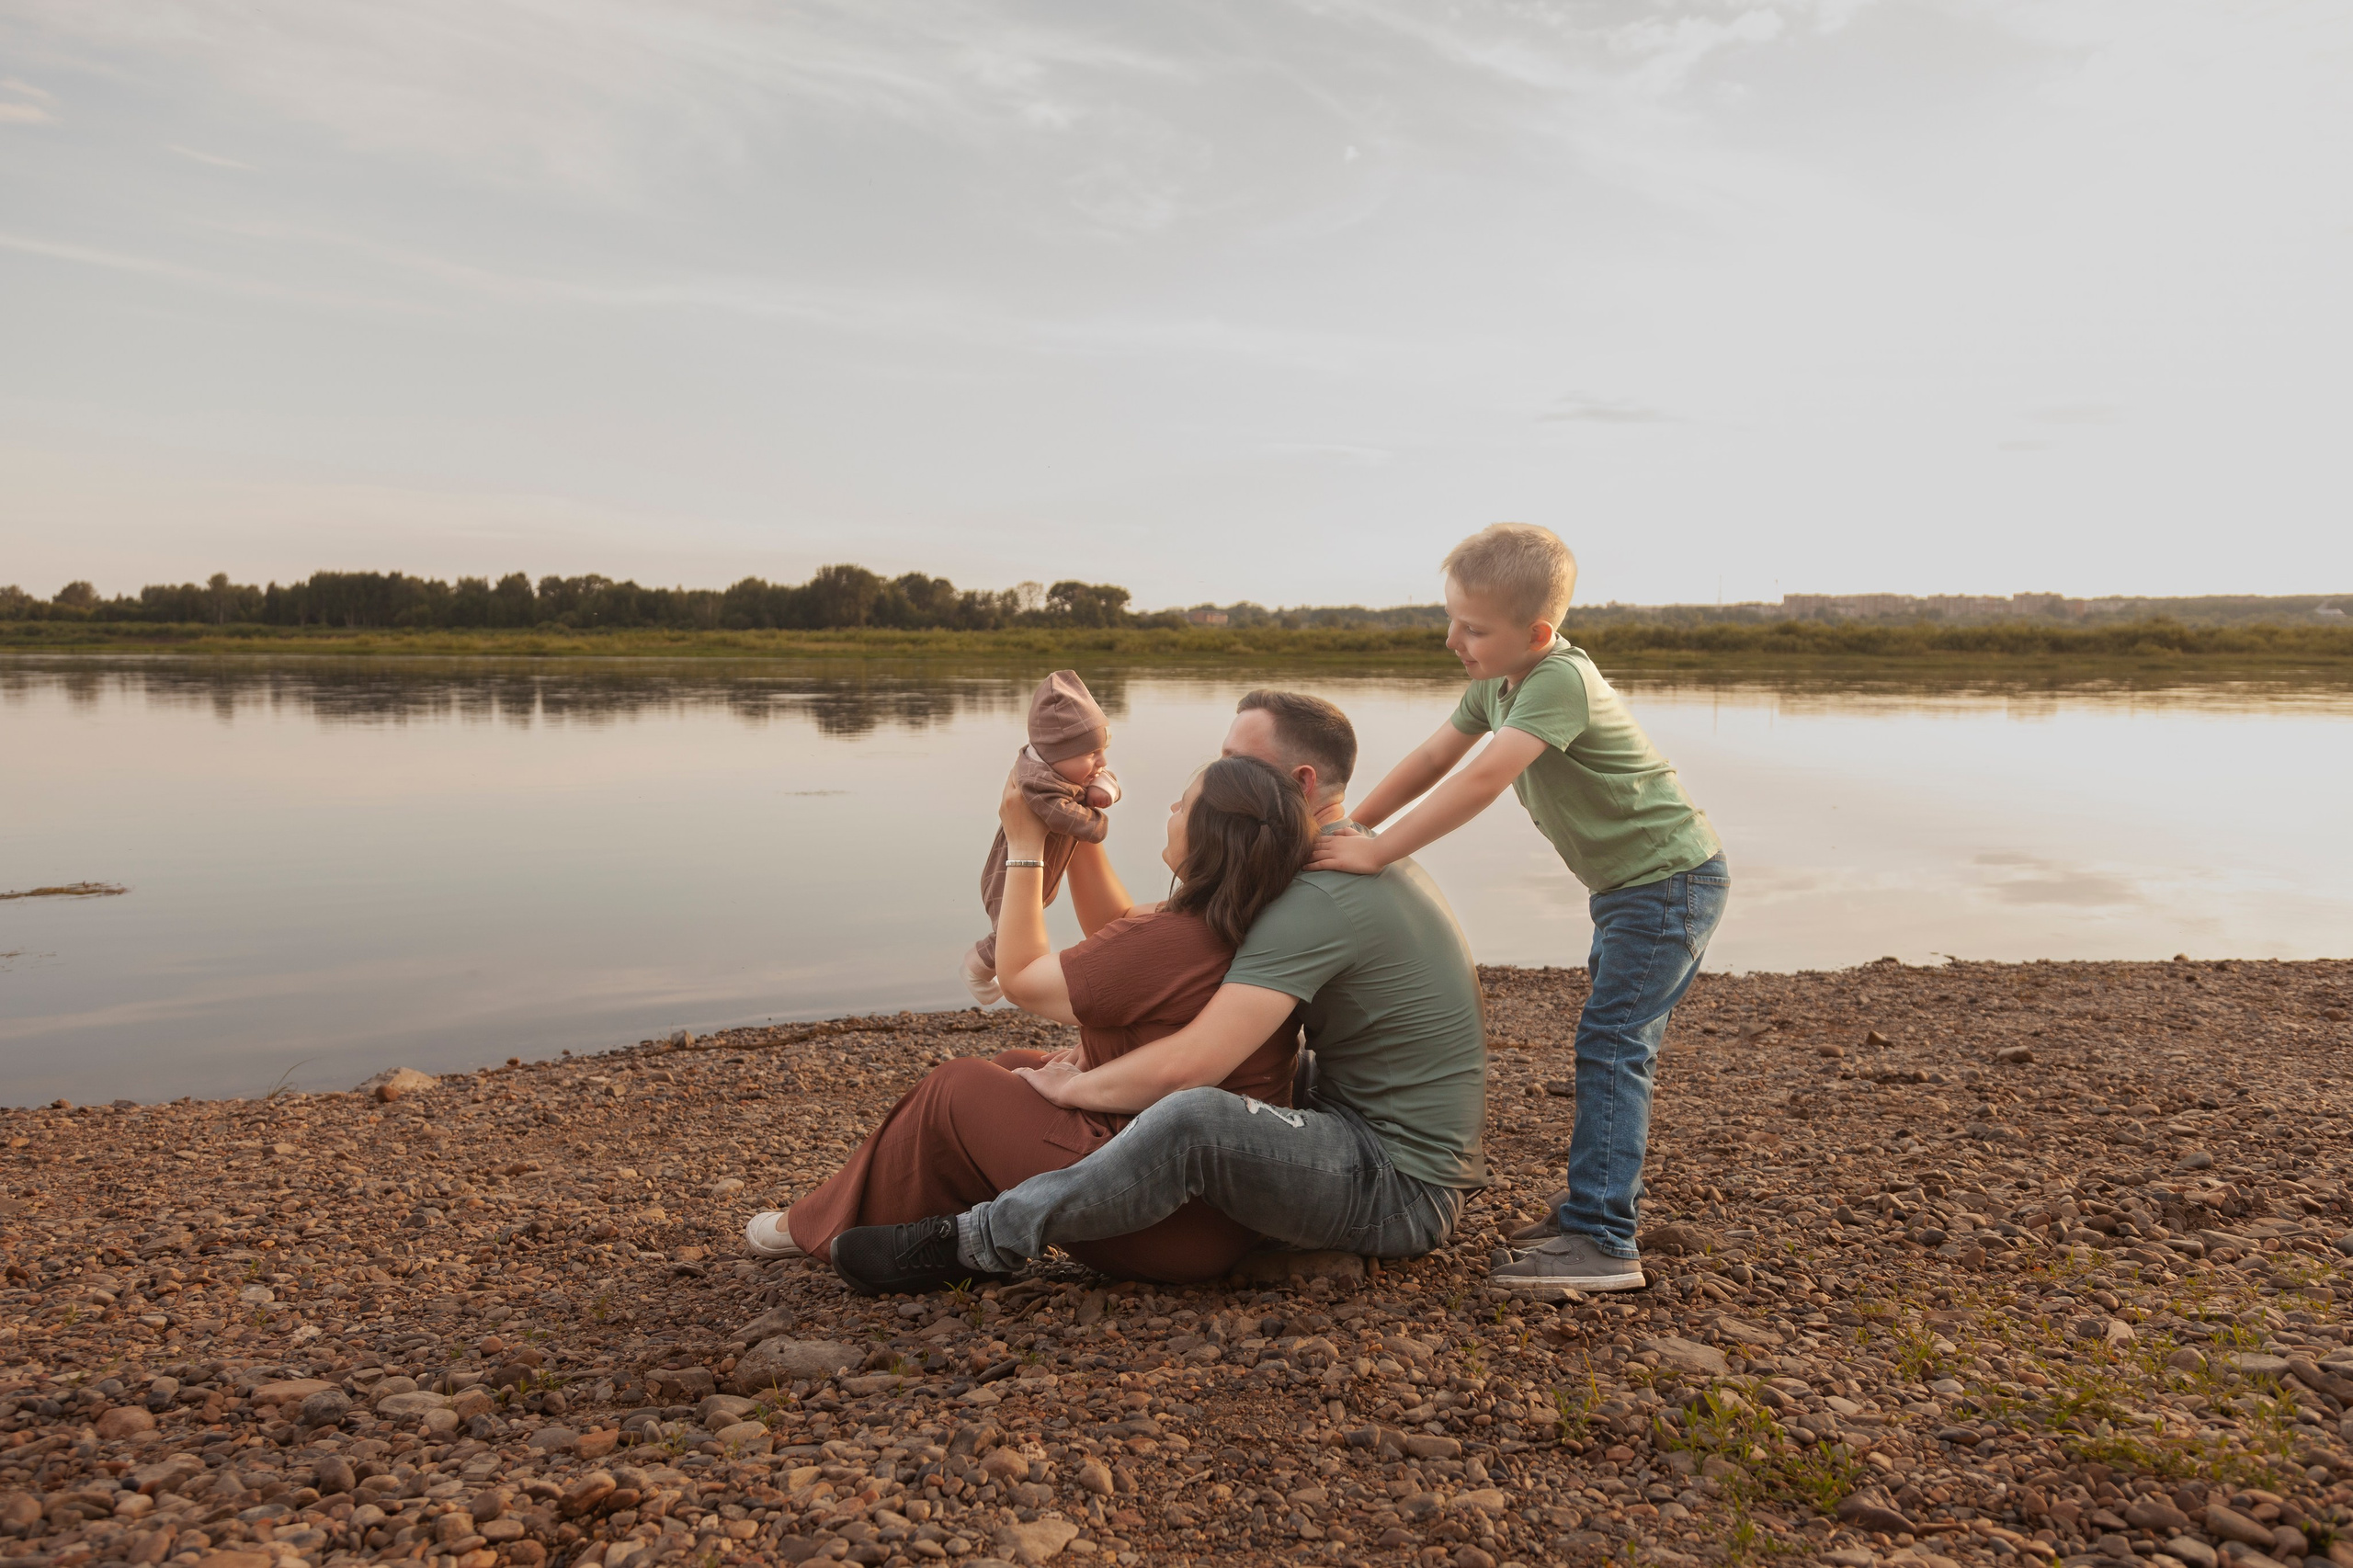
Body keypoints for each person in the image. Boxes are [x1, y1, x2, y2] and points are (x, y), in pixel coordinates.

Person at [826, 690, 1490, 1298]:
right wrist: (1077, 830)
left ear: (1298, 782)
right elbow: (1145, 946)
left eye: (1233, 761)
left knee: (1196, 1113)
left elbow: (1189, 1063)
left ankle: (977, 1241)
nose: (1213, 773)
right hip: (1356, 1126)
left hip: (1398, 1184)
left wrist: (1075, 1088)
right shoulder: (1319, 861)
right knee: (1036, 1071)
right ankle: (852, 1218)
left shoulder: (1319, 893)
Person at [1306, 523, 1729, 1296]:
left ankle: (1605, 1239)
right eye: (1452, 619)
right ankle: (1586, 1213)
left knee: (1612, 1044)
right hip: (1631, 889)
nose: (1451, 640)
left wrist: (1379, 852)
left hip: (1670, 882)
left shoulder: (1557, 679)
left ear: (1536, 632)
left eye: (1472, 627)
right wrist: (1350, 825)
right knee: (1608, 1039)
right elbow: (1436, 759)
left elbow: (1482, 779)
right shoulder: (1497, 682)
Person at [747, 752, 1312, 1288]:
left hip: (1165, 1222)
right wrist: (1074, 825)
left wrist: (1024, 843)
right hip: (1221, 1214)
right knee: (1015, 1068)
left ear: (1212, 836)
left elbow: (1020, 978)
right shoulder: (1246, 914)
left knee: (958, 1088)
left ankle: (818, 1225)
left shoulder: (1176, 936)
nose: (1170, 813)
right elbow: (1115, 926)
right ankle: (913, 1231)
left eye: (1182, 806)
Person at [961, 669, 1122, 1005]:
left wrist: (1104, 784)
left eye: (1102, 750)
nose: (1102, 761)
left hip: (1037, 868)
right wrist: (1098, 820)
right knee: (1007, 933)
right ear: (1057, 753)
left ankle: (987, 966)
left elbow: (1103, 776)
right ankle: (976, 966)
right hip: (1009, 876)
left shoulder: (1059, 764)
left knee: (1013, 929)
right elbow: (1070, 819)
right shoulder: (1038, 783)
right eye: (1092, 754)